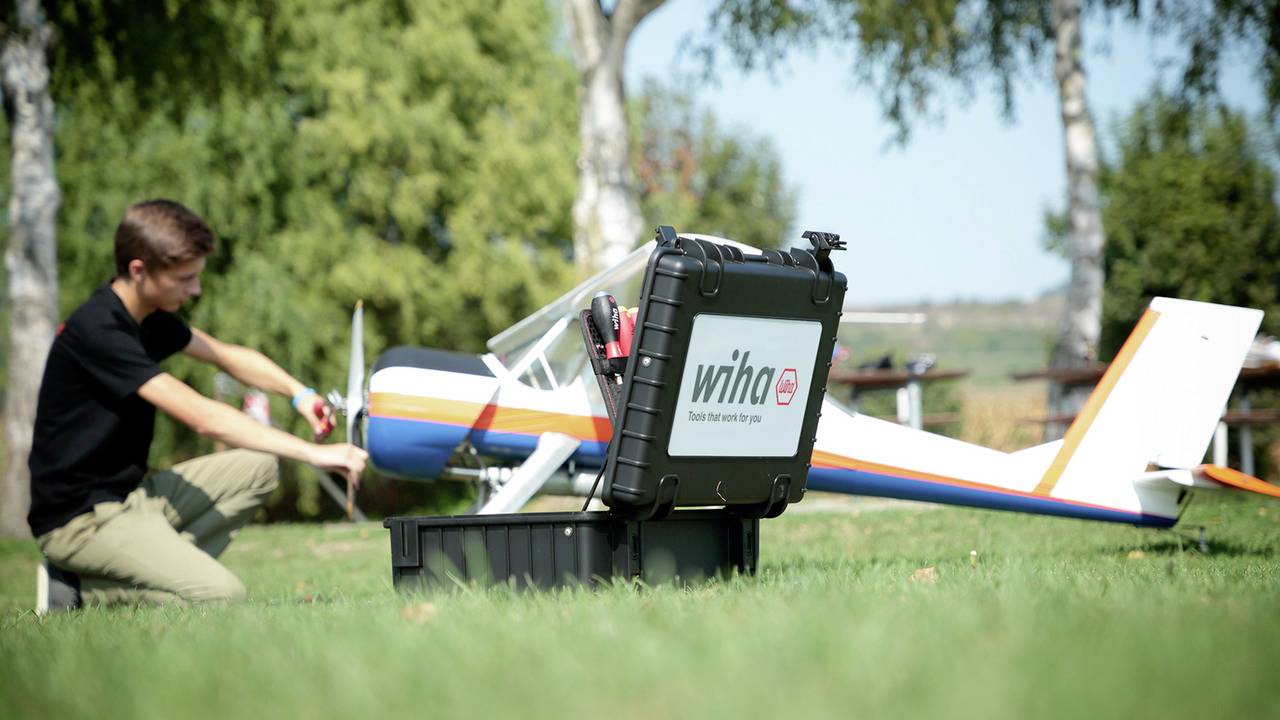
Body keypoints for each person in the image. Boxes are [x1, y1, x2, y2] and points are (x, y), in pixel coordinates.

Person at [28, 199, 367, 612]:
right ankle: (87, 592)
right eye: (184, 279)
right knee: (223, 596)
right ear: (139, 271)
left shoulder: (148, 316)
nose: (196, 290)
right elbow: (203, 417)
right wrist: (312, 453)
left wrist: (300, 394)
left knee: (258, 467)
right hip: (79, 522)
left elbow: (225, 355)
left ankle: (128, 576)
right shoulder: (99, 331)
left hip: (131, 500)